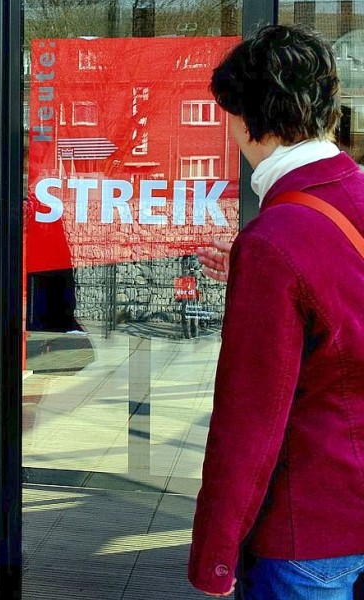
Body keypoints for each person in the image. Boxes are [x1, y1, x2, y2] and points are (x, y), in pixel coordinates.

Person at [188, 24, 364, 598]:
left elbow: (249, 421)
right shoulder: (349, 198)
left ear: (245, 117)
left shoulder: (276, 239)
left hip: (309, 536)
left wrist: (214, 558)